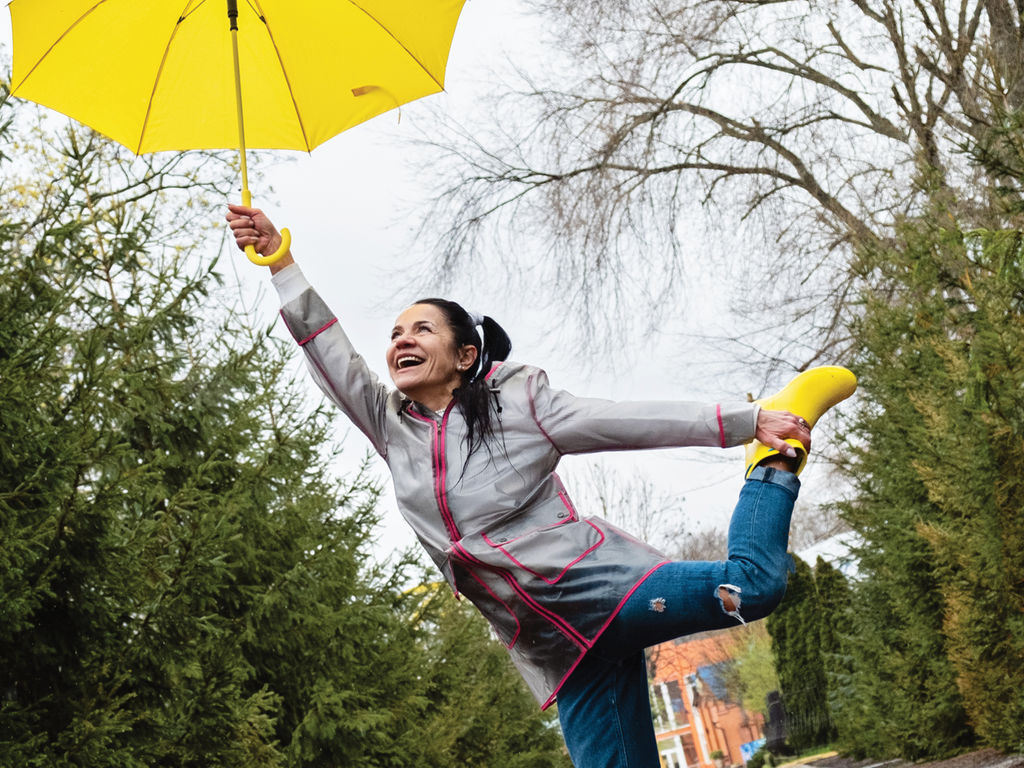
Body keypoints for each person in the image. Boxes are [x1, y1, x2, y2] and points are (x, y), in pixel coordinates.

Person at [226, 204, 857, 768]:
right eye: (394, 333)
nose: (401, 341)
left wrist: (745, 421)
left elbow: (620, 421)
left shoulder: (520, 405)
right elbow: (328, 352)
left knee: (755, 586)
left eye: (420, 329)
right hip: (553, 645)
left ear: (466, 355)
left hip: (604, 592)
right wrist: (281, 262)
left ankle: (769, 465)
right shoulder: (391, 427)